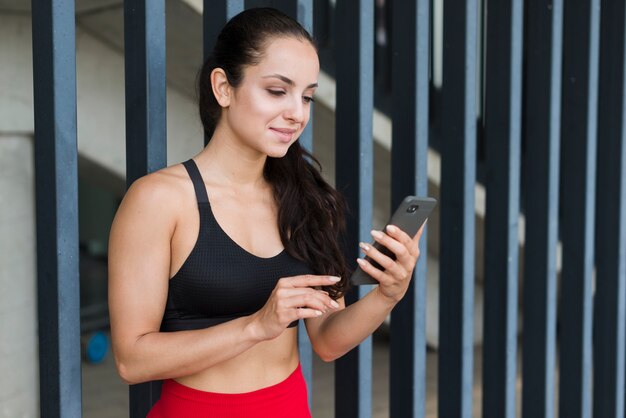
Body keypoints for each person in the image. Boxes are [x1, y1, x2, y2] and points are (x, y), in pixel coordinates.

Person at [108, 7, 425, 418]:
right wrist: (256, 326)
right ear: (223, 87)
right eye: (278, 91)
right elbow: (132, 360)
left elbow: (327, 341)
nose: (297, 112)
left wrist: (388, 294)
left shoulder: (306, 200)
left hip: (288, 405)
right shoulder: (159, 200)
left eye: (307, 96)